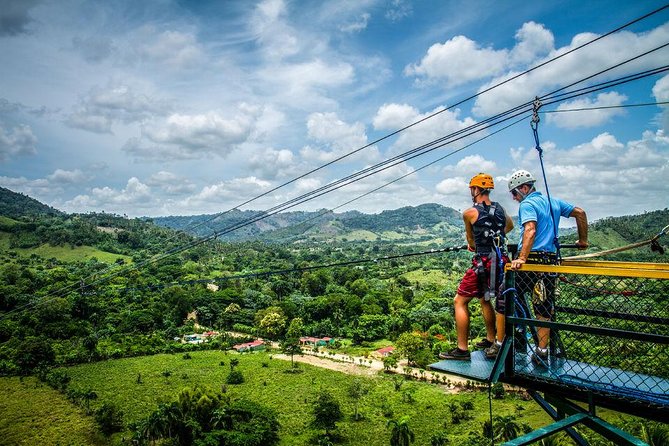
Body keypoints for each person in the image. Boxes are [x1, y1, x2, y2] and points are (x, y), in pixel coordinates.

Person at [502, 169, 588, 365]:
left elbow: (530, 230)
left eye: (515, 193)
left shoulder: (528, 204)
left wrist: (522, 258)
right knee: (543, 306)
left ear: (524, 188)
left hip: (532, 260)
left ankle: (517, 334)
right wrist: (583, 240)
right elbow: (580, 213)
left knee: (506, 293)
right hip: (550, 261)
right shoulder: (553, 202)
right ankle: (541, 351)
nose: (514, 198)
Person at [440, 173, 513, 360]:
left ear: (476, 189)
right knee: (484, 298)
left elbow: (470, 239)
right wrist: (494, 235)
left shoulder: (469, 213)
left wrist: (477, 242)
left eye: (471, 189)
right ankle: (491, 338)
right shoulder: (500, 209)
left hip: (483, 260)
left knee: (460, 301)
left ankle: (462, 349)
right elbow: (509, 226)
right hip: (502, 259)